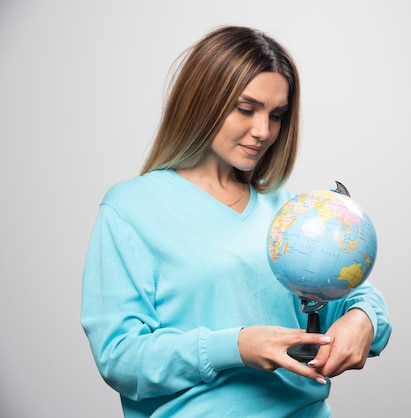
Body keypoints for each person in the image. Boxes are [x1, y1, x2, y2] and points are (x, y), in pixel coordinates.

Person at [81, 25, 392, 417]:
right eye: (246, 109)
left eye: (276, 115)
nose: (263, 131)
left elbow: (353, 297)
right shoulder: (130, 208)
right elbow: (120, 358)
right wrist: (238, 347)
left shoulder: (289, 212)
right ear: (202, 101)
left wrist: (361, 319)